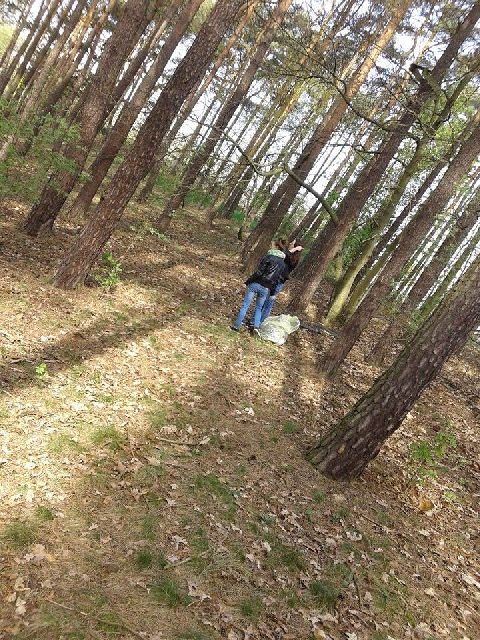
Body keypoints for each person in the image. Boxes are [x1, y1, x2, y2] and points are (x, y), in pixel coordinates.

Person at [231, 239, 289, 335]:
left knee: (245, 305)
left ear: (276, 246)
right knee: (259, 308)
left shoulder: (268, 257)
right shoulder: (283, 264)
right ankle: (255, 327)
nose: (271, 246)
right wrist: (272, 292)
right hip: (266, 288)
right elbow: (277, 279)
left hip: (256, 284)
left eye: (272, 245)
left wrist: (247, 282)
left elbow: (259, 272)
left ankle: (236, 326)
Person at [252, 239, 304, 324]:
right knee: (263, 301)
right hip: (273, 279)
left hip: (278, 282)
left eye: (292, 243)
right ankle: (255, 322)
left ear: (295, 246)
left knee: (268, 303)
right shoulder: (287, 254)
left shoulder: (293, 259)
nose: (290, 243)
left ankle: (259, 323)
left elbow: (285, 255)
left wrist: (294, 249)